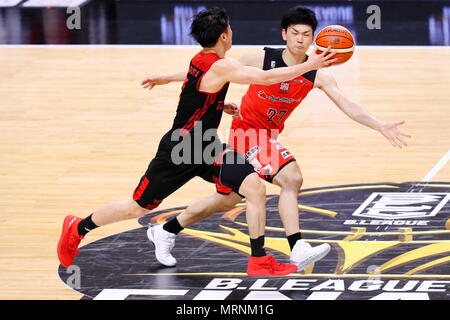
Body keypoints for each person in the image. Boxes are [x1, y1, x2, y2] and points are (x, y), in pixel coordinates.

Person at [57, 7, 337, 276]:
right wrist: (310, 65)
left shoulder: (203, 59)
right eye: (229, 29)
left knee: (253, 187)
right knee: (139, 207)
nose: (231, 32)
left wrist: (217, 102)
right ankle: (79, 227)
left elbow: (203, 86)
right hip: (181, 148)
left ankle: (259, 260)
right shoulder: (221, 65)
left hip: (207, 145)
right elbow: (263, 78)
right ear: (224, 36)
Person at [141, 6, 411, 272]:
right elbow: (212, 71)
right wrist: (168, 77)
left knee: (226, 199)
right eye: (295, 33)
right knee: (291, 177)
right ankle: (297, 246)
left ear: (313, 37)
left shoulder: (317, 73)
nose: (300, 39)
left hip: (267, 136)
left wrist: (379, 126)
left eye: (306, 34)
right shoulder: (262, 58)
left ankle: (166, 229)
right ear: (284, 34)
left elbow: (346, 103)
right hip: (245, 133)